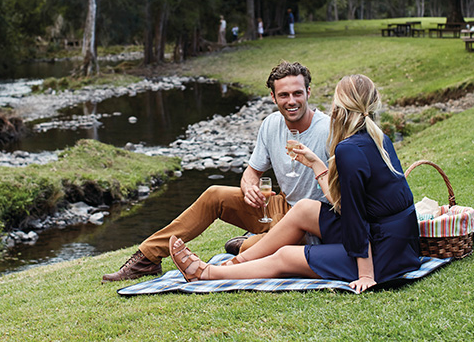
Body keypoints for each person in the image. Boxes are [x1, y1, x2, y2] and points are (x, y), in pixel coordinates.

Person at [169, 74, 421, 293]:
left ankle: (204, 274)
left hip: (381, 256)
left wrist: (366, 274)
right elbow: (350, 204)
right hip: (401, 243)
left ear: (340, 107)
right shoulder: (378, 137)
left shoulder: (349, 149)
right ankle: (233, 265)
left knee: (285, 256)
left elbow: (355, 217)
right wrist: (316, 164)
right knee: (304, 209)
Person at [102, 61, 330, 282]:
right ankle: (147, 258)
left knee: (268, 249)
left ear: (308, 92)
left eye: (297, 93)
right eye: (283, 95)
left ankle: (243, 245)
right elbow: (252, 172)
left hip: (311, 222)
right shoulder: (271, 124)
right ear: (273, 97)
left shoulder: (327, 130)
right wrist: (249, 187)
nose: (291, 101)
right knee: (214, 195)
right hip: (281, 207)